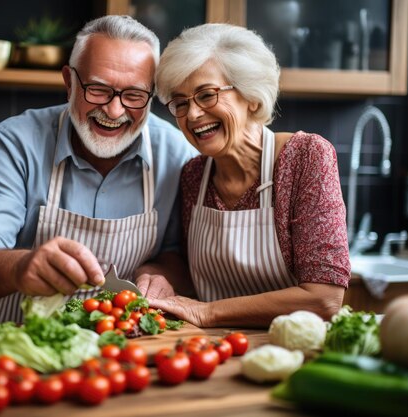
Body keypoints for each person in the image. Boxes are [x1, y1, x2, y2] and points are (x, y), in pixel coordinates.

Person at [0, 15, 198, 324]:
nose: (114, 111)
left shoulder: (177, 153)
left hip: (128, 351)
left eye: (133, 95)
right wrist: (19, 267)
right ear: (69, 82)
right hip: (22, 347)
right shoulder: (17, 141)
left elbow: (178, 255)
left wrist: (159, 273)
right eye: (98, 90)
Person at [149, 23, 350, 328]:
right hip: (209, 350)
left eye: (206, 95)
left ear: (252, 97)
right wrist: (152, 276)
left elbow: (325, 299)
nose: (192, 115)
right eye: (180, 102)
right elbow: (190, 279)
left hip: (287, 351)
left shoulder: (305, 157)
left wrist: (209, 312)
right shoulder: (194, 175)